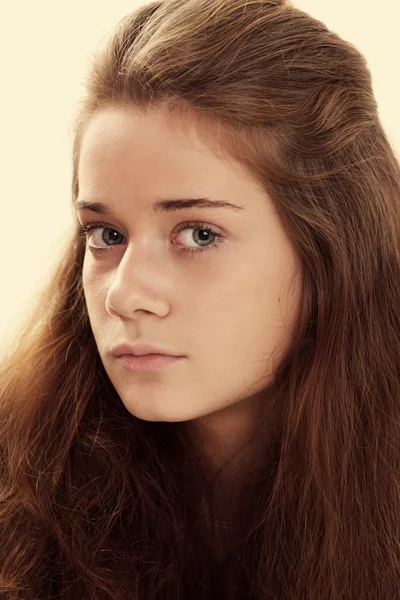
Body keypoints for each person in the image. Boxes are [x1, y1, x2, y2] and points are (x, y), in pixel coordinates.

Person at [1, 0, 399, 597]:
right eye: (106, 235)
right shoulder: (17, 492)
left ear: (332, 249)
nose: (126, 296)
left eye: (199, 234)